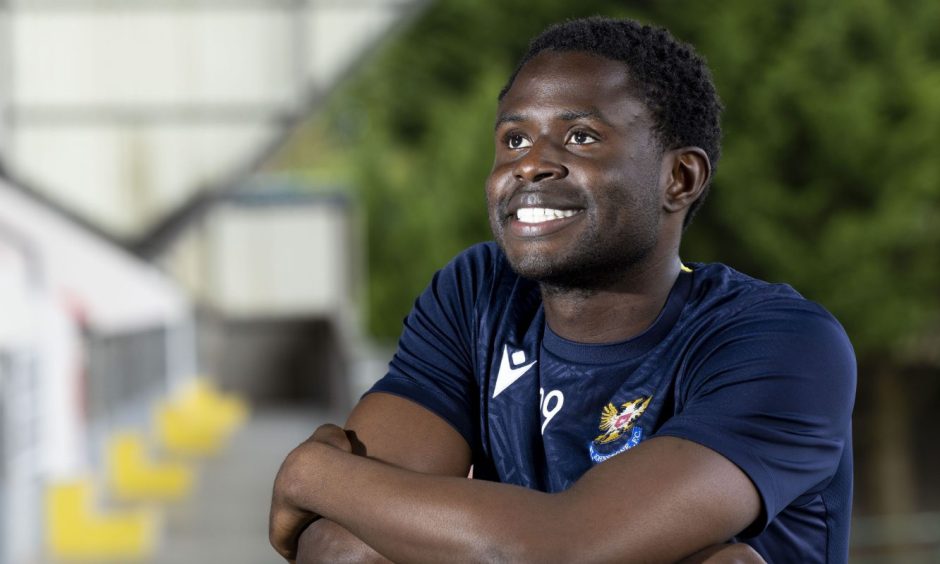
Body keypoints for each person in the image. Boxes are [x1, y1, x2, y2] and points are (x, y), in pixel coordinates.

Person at [270, 16, 856, 564]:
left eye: (580, 136)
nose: (530, 166)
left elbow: (565, 548)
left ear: (679, 178)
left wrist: (311, 475)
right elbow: (341, 543)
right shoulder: (478, 294)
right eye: (514, 141)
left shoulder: (781, 343)